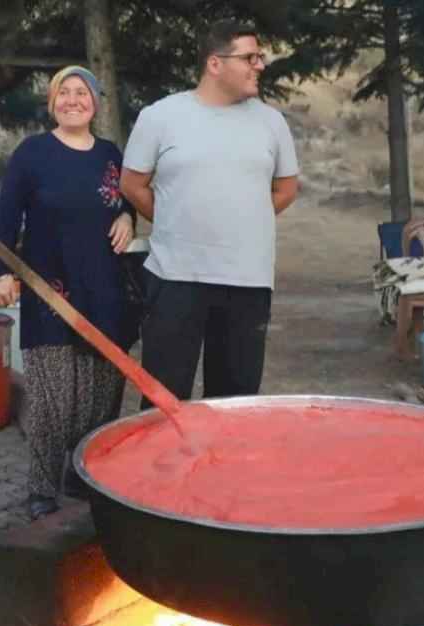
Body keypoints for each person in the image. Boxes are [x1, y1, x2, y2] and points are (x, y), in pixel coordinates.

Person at [120, 20, 299, 407]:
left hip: (248, 281)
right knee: (163, 403)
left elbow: (286, 189)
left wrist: (244, 220)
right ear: (215, 64)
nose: (260, 65)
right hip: (176, 277)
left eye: (260, 57)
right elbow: (132, 184)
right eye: (250, 57)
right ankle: (163, 469)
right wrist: (174, 219)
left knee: (236, 404)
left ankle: (225, 470)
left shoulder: (272, 122)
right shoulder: (160, 116)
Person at [0, 66, 136, 520]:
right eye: (64, 93)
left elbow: (127, 197)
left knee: (100, 399)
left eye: (82, 92)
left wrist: (129, 216)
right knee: (55, 399)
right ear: (53, 103)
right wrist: (1, 272)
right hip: (48, 291)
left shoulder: (111, 154)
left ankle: (83, 476)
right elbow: (6, 219)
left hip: (104, 291)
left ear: (95, 101)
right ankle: (41, 490)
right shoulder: (33, 154)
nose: (74, 100)